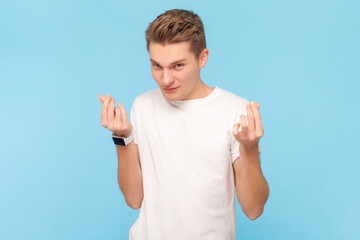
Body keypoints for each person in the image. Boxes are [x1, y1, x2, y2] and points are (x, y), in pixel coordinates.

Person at [98, 9, 269, 240]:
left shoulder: (235, 111)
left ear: (203, 58)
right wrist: (122, 137)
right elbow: (133, 199)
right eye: (157, 66)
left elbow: (254, 209)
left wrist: (249, 149)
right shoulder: (143, 105)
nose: (165, 79)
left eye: (178, 66)